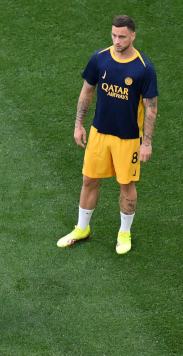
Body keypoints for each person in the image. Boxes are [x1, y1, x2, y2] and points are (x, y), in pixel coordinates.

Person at [58, 15, 159, 255]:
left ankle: (124, 233)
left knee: (126, 184)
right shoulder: (100, 58)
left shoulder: (144, 68)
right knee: (89, 180)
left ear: (133, 35)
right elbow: (87, 91)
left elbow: (152, 107)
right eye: (114, 35)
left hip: (128, 138)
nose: (117, 40)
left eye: (122, 36)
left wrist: (147, 143)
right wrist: (78, 125)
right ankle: (82, 228)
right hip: (99, 134)